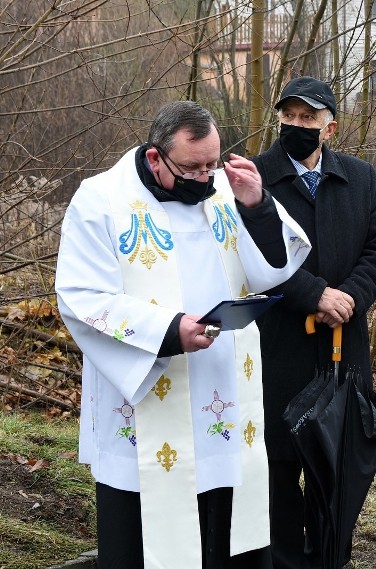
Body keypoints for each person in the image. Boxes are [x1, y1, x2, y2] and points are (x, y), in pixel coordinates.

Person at [55, 101, 311, 568]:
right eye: (193, 167)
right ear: (156, 157)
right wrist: (171, 331)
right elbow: (80, 297)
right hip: (148, 397)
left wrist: (255, 205)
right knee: (148, 536)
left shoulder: (219, 191)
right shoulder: (101, 201)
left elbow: (274, 271)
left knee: (229, 533)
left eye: (213, 164)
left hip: (223, 395)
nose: (206, 178)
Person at [250, 76, 376, 569]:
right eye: (289, 115)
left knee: (336, 467)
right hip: (279, 349)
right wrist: (314, 295)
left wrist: (348, 298)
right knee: (280, 469)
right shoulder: (256, 180)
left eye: (307, 118)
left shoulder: (359, 177)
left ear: (329, 127)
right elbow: (247, 258)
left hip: (342, 350)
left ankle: (332, 559)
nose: (296, 125)